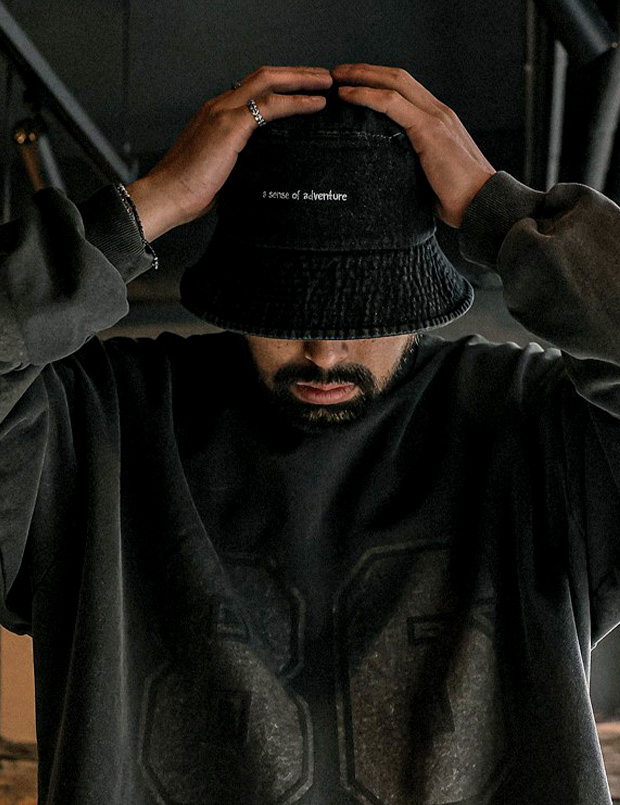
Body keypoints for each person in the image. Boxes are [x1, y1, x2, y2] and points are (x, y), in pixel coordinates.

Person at [1, 62, 619, 805]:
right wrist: (140, 210)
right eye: (287, 312)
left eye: (362, 313)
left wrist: (504, 212)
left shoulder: (533, 428)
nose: (324, 353)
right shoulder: (98, 427)